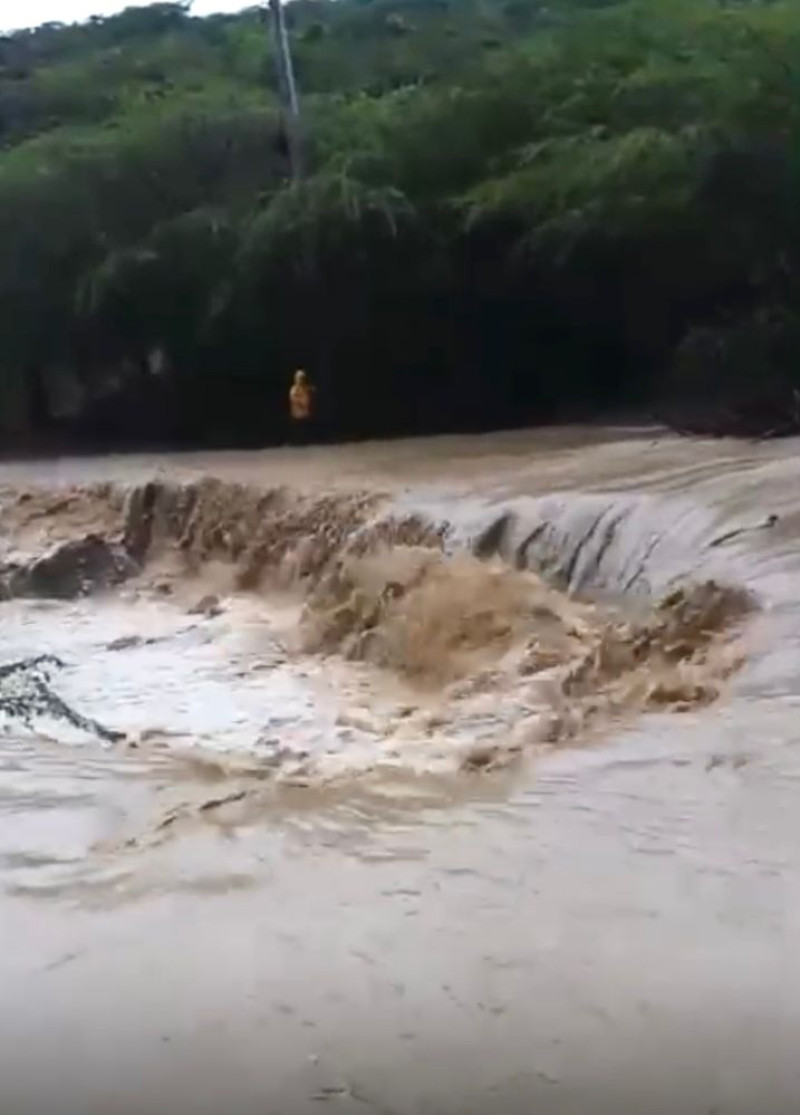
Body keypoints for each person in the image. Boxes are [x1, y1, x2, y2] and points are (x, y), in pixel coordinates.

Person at [288, 369, 314, 442]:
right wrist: (301, 403)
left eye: (302, 378)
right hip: (297, 413)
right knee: (298, 429)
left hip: (304, 413)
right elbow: (293, 399)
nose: (300, 380)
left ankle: (304, 439)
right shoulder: (294, 389)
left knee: (304, 429)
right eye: (299, 378)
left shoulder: (305, 388)